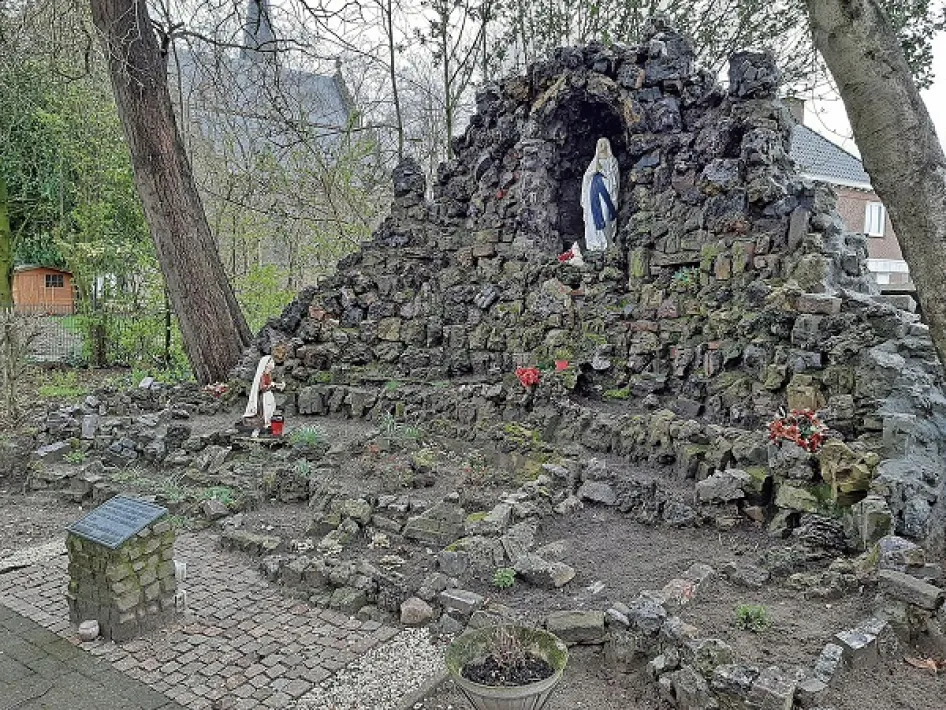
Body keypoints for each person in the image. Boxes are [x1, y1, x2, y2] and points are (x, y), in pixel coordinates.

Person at [580, 137, 619, 251]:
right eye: (599, 144)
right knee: (593, 216)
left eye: (603, 144)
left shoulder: (613, 161)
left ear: (608, 145)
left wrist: (604, 172)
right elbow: (586, 177)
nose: (601, 147)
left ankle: (607, 241)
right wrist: (594, 171)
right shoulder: (595, 161)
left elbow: (615, 178)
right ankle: (596, 243)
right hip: (594, 190)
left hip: (607, 190)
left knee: (606, 214)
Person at [243, 355, 282, 435]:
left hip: (269, 396)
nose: (273, 363)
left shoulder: (268, 374)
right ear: (266, 364)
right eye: (271, 362)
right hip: (264, 397)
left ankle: (267, 427)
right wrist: (272, 385)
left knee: (270, 411)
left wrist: (278, 386)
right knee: (264, 412)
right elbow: (262, 388)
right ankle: (258, 429)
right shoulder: (262, 376)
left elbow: (270, 385)